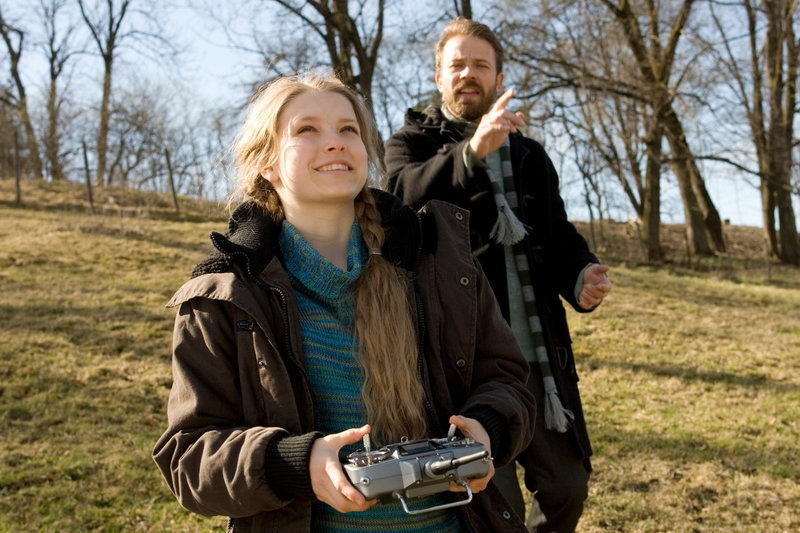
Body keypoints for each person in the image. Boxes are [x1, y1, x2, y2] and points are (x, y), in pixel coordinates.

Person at [152, 72, 536, 533]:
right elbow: (191, 458)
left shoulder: (438, 262)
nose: (334, 142)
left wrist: (486, 427)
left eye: (347, 130)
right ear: (266, 163)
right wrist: (295, 462)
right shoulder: (224, 295)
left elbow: (506, 380)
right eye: (307, 130)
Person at [384, 17, 612, 533]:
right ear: (439, 76)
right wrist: (469, 154)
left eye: (480, 65)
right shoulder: (410, 143)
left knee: (567, 490)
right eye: (457, 65)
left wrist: (581, 276)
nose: (469, 74)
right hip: (462, 363)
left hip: (540, 365)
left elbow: (555, 236)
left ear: (498, 76)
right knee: (490, 504)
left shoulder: (530, 155)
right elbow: (402, 197)